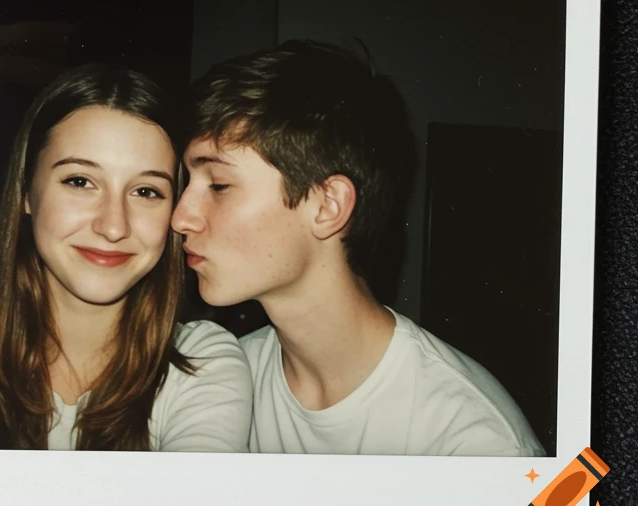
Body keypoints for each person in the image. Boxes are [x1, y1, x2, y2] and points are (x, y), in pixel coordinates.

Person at [171, 40, 544, 457]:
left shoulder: (468, 436)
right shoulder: (224, 385)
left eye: (219, 185)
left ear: (327, 206)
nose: (181, 218)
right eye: (189, 184)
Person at [0, 63, 252, 450]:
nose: (113, 227)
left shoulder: (201, 363)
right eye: (80, 181)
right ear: (27, 192)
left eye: (146, 191)